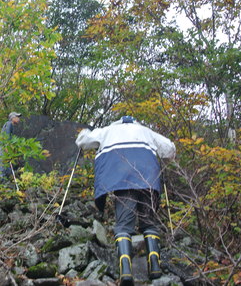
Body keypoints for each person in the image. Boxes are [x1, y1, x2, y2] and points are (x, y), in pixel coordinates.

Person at [75, 116, 176, 286]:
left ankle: (126, 271)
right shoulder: (146, 131)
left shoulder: (107, 131)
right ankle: (155, 267)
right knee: (149, 223)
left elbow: (82, 141)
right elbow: (170, 149)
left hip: (123, 181)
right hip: (149, 181)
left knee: (123, 226)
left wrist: (84, 132)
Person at [0, 112, 22, 179]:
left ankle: (5, 179)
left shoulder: (10, 125)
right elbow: (7, 136)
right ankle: (0, 179)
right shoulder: (9, 124)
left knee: (7, 164)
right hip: (4, 147)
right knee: (3, 163)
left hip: (4, 146)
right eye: (17, 117)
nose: (18, 119)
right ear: (13, 118)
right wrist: (7, 147)